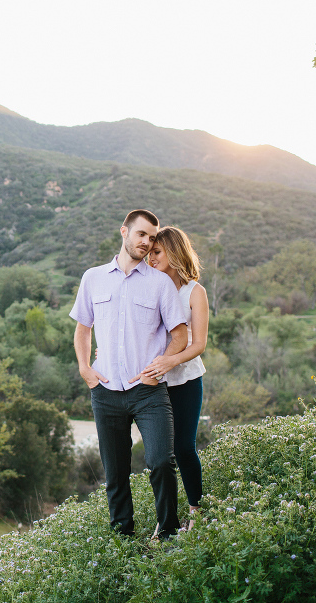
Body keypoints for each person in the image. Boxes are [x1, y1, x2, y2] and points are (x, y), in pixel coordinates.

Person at [70, 209, 188, 540]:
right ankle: (123, 538)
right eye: (141, 235)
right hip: (105, 392)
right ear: (124, 232)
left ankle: (168, 534)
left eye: (152, 238)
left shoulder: (160, 283)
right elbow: (83, 329)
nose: (147, 243)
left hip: (148, 392)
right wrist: (85, 370)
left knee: (162, 461)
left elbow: (179, 334)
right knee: (116, 472)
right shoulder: (93, 278)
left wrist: (163, 363)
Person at [141, 226, 209, 531]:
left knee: (183, 447)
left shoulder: (195, 292)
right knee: (159, 455)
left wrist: (171, 361)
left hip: (186, 380)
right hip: (155, 382)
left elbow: (199, 344)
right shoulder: (150, 288)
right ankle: (165, 521)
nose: (151, 258)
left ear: (175, 251)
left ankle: (197, 511)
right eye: (150, 253)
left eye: (157, 252)